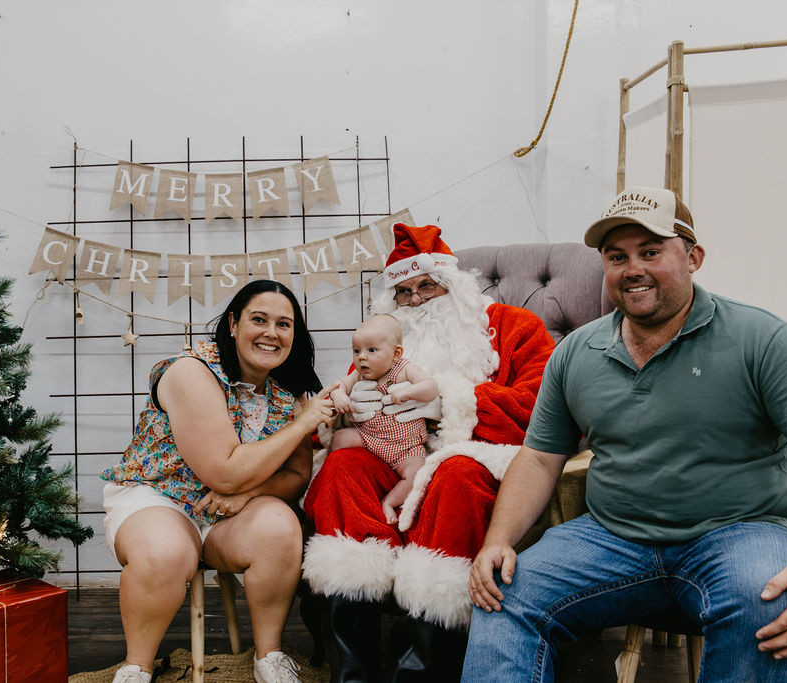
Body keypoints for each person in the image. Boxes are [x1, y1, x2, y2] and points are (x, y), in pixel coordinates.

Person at [463, 186, 787, 682]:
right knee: (503, 594)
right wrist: (498, 541)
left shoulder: (764, 340)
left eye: (651, 252)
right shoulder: (576, 353)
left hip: (744, 529)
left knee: (770, 605)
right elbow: (540, 458)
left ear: (693, 258)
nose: (633, 269)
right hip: (613, 536)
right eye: (617, 256)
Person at [302, 223, 555, 681]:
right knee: (341, 466)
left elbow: (541, 408)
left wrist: (452, 399)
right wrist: (338, 411)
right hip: (392, 451)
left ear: (453, 285)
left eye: (428, 285)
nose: (417, 300)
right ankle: (353, 672)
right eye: (404, 291)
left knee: (455, 475)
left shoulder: (517, 327)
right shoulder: (386, 344)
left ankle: (418, 671)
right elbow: (350, 396)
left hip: (477, 454)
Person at [99, 280, 336, 683]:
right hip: (161, 497)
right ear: (232, 323)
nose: (271, 333)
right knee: (165, 552)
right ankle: (137, 666)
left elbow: (297, 475)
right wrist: (304, 424)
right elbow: (223, 471)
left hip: (227, 514)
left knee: (281, 526)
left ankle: (269, 656)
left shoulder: (289, 389)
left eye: (284, 324)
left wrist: (253, 493)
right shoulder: (191, 371)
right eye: (258, 320)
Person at [328, 314, 439, 525]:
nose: (361, 357)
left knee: (418, 474)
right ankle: (335, 477)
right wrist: (340, 396)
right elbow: (338, 386)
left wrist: (410, 392)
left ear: (396, 353)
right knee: (341, 437)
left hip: (405, 446)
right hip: (369, 438)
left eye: (371, 350)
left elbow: (431, 387)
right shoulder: (359, 375)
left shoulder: (404, 369)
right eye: (356, 351)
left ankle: (389, 502)